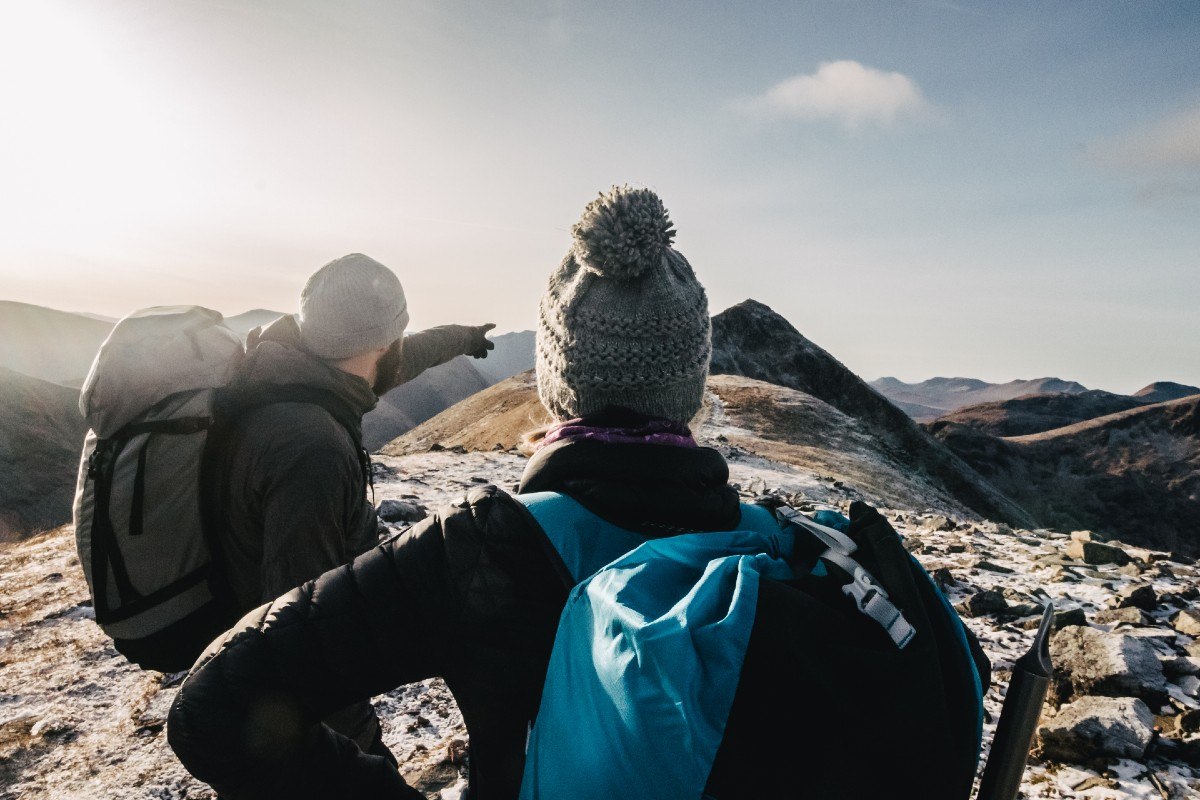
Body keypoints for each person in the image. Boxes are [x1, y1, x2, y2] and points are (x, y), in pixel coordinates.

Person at [169, 189, 988, 799]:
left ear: (558, 383)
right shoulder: (793, 552)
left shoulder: (479, 552)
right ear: (690, 383)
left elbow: (214, 709)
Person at [203, 252, 495, 766]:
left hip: (245, 651)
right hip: (273, 699)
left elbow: (409, 354)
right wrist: (362, 750)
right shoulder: (311, 449)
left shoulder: (296, 369)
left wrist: (465, 336)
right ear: (381, 341)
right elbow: (300, 627)